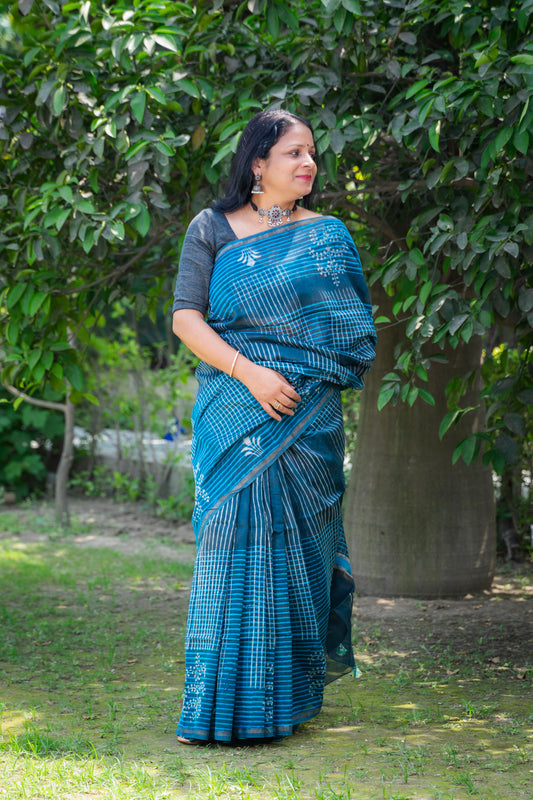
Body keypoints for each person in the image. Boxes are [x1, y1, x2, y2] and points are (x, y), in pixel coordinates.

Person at [171, 109, 376, 745]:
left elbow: (352, 333)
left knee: (303, 553)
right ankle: (217, 705)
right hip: (236, 411)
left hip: (308, 418)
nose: (308, 162)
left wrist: (299, 377)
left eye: (312, 152)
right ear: (257, 163)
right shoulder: (211, 228)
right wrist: (252, 373)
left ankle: (284, 701)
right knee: (229, 548)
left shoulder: (329, 236)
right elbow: (185, 317)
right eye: (294, 152)